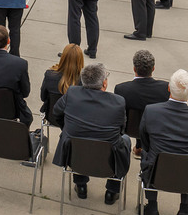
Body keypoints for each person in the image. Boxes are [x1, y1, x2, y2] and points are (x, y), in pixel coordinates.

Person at [138, 69, 188, 215]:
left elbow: (144, 141)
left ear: (168, 88)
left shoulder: (151, 111)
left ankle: (152, 208)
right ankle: (184, 210)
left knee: (148, 155)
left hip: (155, 173)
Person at [52, 63, 130, 205]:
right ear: (104, 83)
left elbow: (56, 112)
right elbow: (121, 129)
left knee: (78, 140)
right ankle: (112, 191)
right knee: (126, 140)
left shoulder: (72, 93)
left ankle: (81, 185)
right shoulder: (118, 102)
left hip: (76, 153)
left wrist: (67, 129)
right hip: (106, 157)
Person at [113, 49, 169, 154]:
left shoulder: (121, 89)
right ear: (153, 69)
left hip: (129, 129)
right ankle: (140, 147)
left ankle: (139, 146)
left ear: (134, 68)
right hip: (154, 130)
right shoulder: (165, 89)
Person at [40, 43, 83, 128]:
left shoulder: (50, 75)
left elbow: (43, 97)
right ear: (80, 60)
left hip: (52, 117)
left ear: (63, 57)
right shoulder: (82, 81)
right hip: (73, 121)